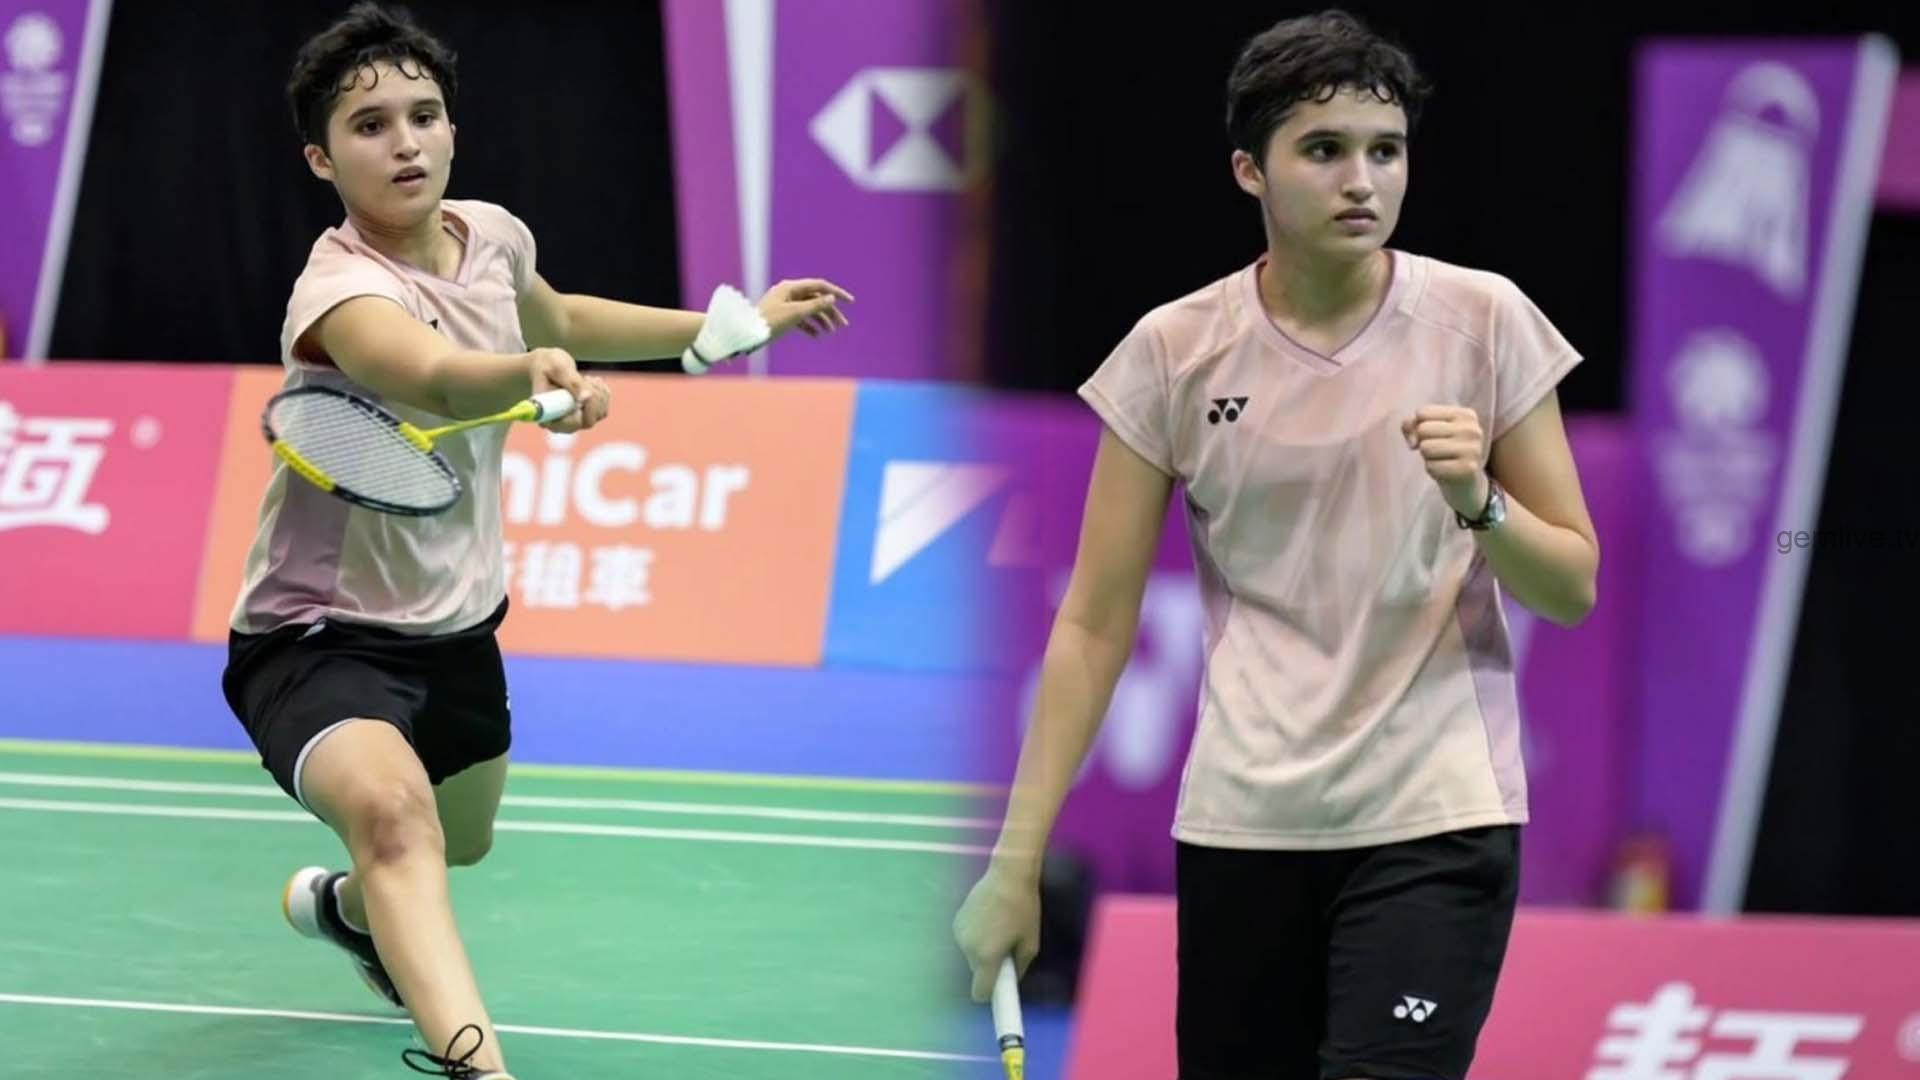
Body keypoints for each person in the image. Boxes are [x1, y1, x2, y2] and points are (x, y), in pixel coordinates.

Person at [952, 10, 1599, 1080]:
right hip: (1243, 827)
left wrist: (1478, 499)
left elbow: (1571, 585)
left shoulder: (1485, 321)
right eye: (1325, 150)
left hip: (1434, 818)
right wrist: (1015, 865)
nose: (1363, 182)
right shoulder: (1174, 352)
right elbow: (1094, 626)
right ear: (1250, 170)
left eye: (1386, 152)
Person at [220, 4, 851, 1076]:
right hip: (317, 635)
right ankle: (480, 1066)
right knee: (398, 824)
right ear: (321, 159)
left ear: (452, 130)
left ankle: (353, 913)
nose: (406, 142)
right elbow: (429, 374)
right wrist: (526, 380)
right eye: (370, 126)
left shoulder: (492, 235)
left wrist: (724, 329)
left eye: (424, 116)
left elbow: (555, 319)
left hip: (457, 627)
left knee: (456, 843)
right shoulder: (340, 292)